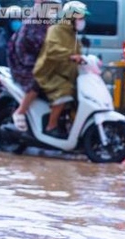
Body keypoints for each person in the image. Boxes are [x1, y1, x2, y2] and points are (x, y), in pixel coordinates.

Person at [32, 0, 88, 138]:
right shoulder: (55, 29)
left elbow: (78, 52)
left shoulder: (72, 34)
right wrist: (71, 56)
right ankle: (51, 126)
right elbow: (52, 49)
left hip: (64, 74)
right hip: (49, 73)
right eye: (80, 18)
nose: (82, 21)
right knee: (65, 91)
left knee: (79, 94)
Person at [7, 0, 62, 132]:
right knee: (38, 80)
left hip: (40, 62)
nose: (52, 11)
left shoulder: (49, 23)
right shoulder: (33, 23)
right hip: (23, 64)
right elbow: (28, 48)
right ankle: (20, 111)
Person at [0, 5, 22, 100]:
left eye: (19, 19)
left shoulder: (23, 36)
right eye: (14, 20)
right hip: (6, 80)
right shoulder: (3, 41)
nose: (17, 22)